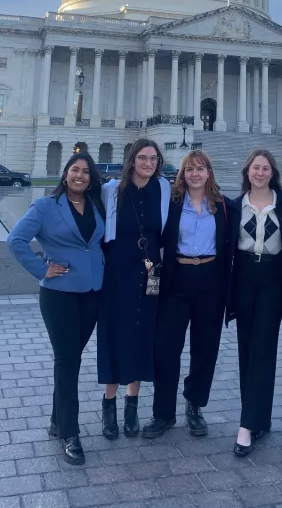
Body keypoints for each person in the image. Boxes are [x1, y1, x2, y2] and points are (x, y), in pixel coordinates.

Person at [6, 152, 105, 466]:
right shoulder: (46, 206)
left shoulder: (95, 204)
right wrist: (40, 269)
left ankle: (56, 420)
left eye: (86, 172)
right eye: (75, 170)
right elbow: (16, 239)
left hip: (91, 292)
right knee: (67, 361)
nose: (80, 176)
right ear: (65, 174)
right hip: (59, 294)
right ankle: (70, 432)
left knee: (71, 358)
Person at [142, 149, 228, 439]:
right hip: (176, 279)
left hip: (210, 280)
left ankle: (195, 406)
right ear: (182, 173)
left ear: (208, 172)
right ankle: (163, 413)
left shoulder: (223, 206)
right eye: (189, 169)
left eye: (200, 168)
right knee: (165, 349)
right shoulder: (172, 205)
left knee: (205, 350)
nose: (195, 174)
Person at [98, 138, 171, 439]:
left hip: (151, 274)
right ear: (131, 160)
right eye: (142, 158)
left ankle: (132, 404)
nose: (148, 164)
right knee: (115, 335)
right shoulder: (112, 190)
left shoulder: (164, 189)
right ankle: (109, 403)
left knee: (143, 336)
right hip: (118, 274)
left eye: (153, 159)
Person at [226, 149, 282, 457]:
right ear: (248, 171)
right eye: (256, 167)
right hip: (243, 276)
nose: (260, 172)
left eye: (265, 168)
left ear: (272, 173)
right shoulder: (235, 205)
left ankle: (247, 424)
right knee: (246, 349)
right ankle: (258, 419)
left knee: (263, 349)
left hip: (271, 279)